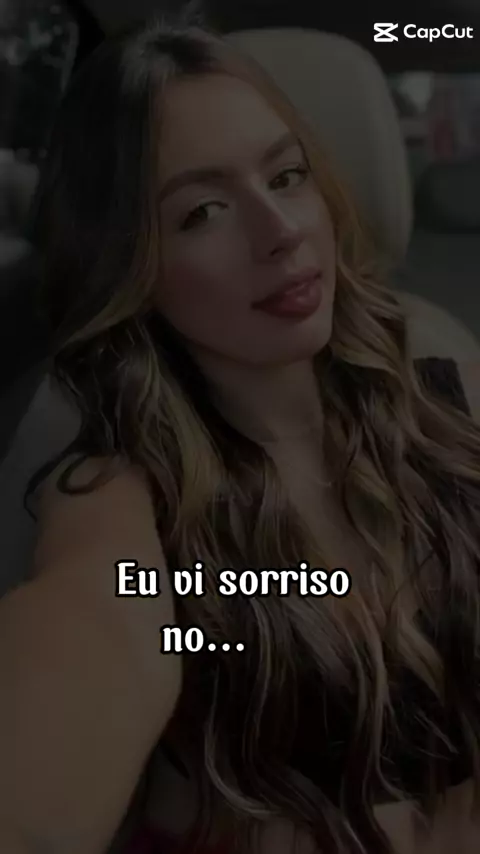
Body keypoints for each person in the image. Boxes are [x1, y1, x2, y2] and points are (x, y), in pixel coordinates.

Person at [1, 13, 480, 854]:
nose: (281, 230)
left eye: (287, 177)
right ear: (130, 259)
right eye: (203, 212)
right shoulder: (124, 494)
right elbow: (110, 620)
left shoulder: (449, 396)